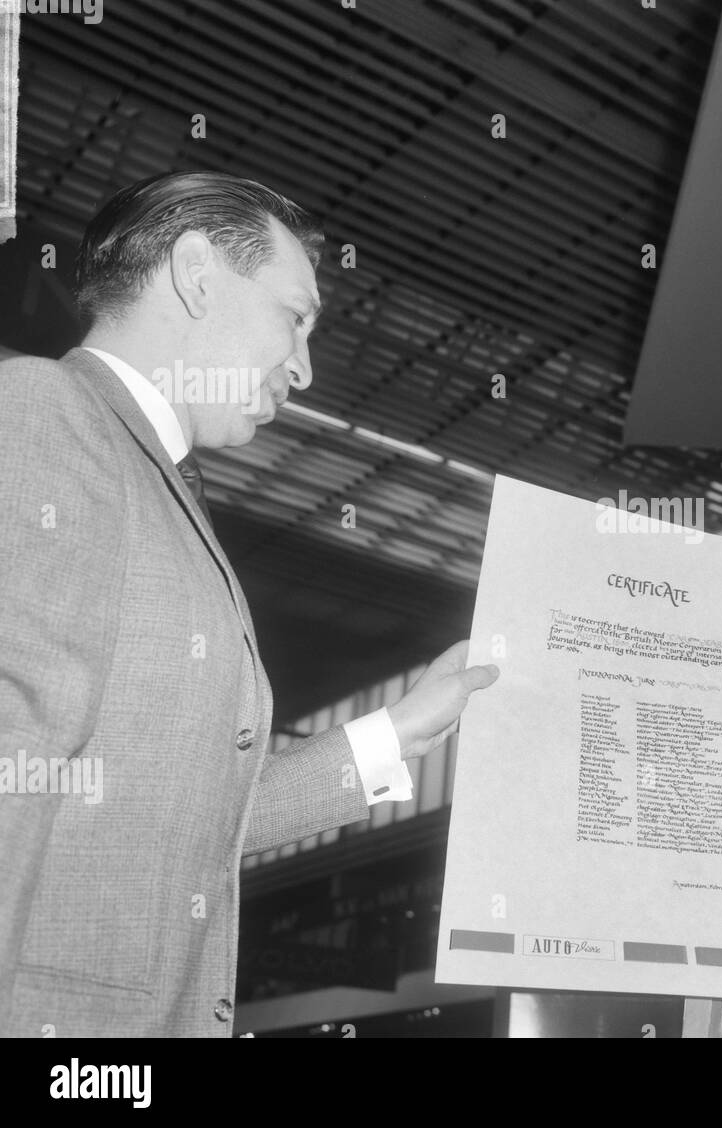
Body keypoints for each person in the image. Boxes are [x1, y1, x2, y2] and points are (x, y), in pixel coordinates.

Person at [0, 171, 498, 1036]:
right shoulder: (45, 415)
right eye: (296, 317)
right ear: (197, 274)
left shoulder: (148, 478)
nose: (304, 368)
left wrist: (405, 728)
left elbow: (190, 800)